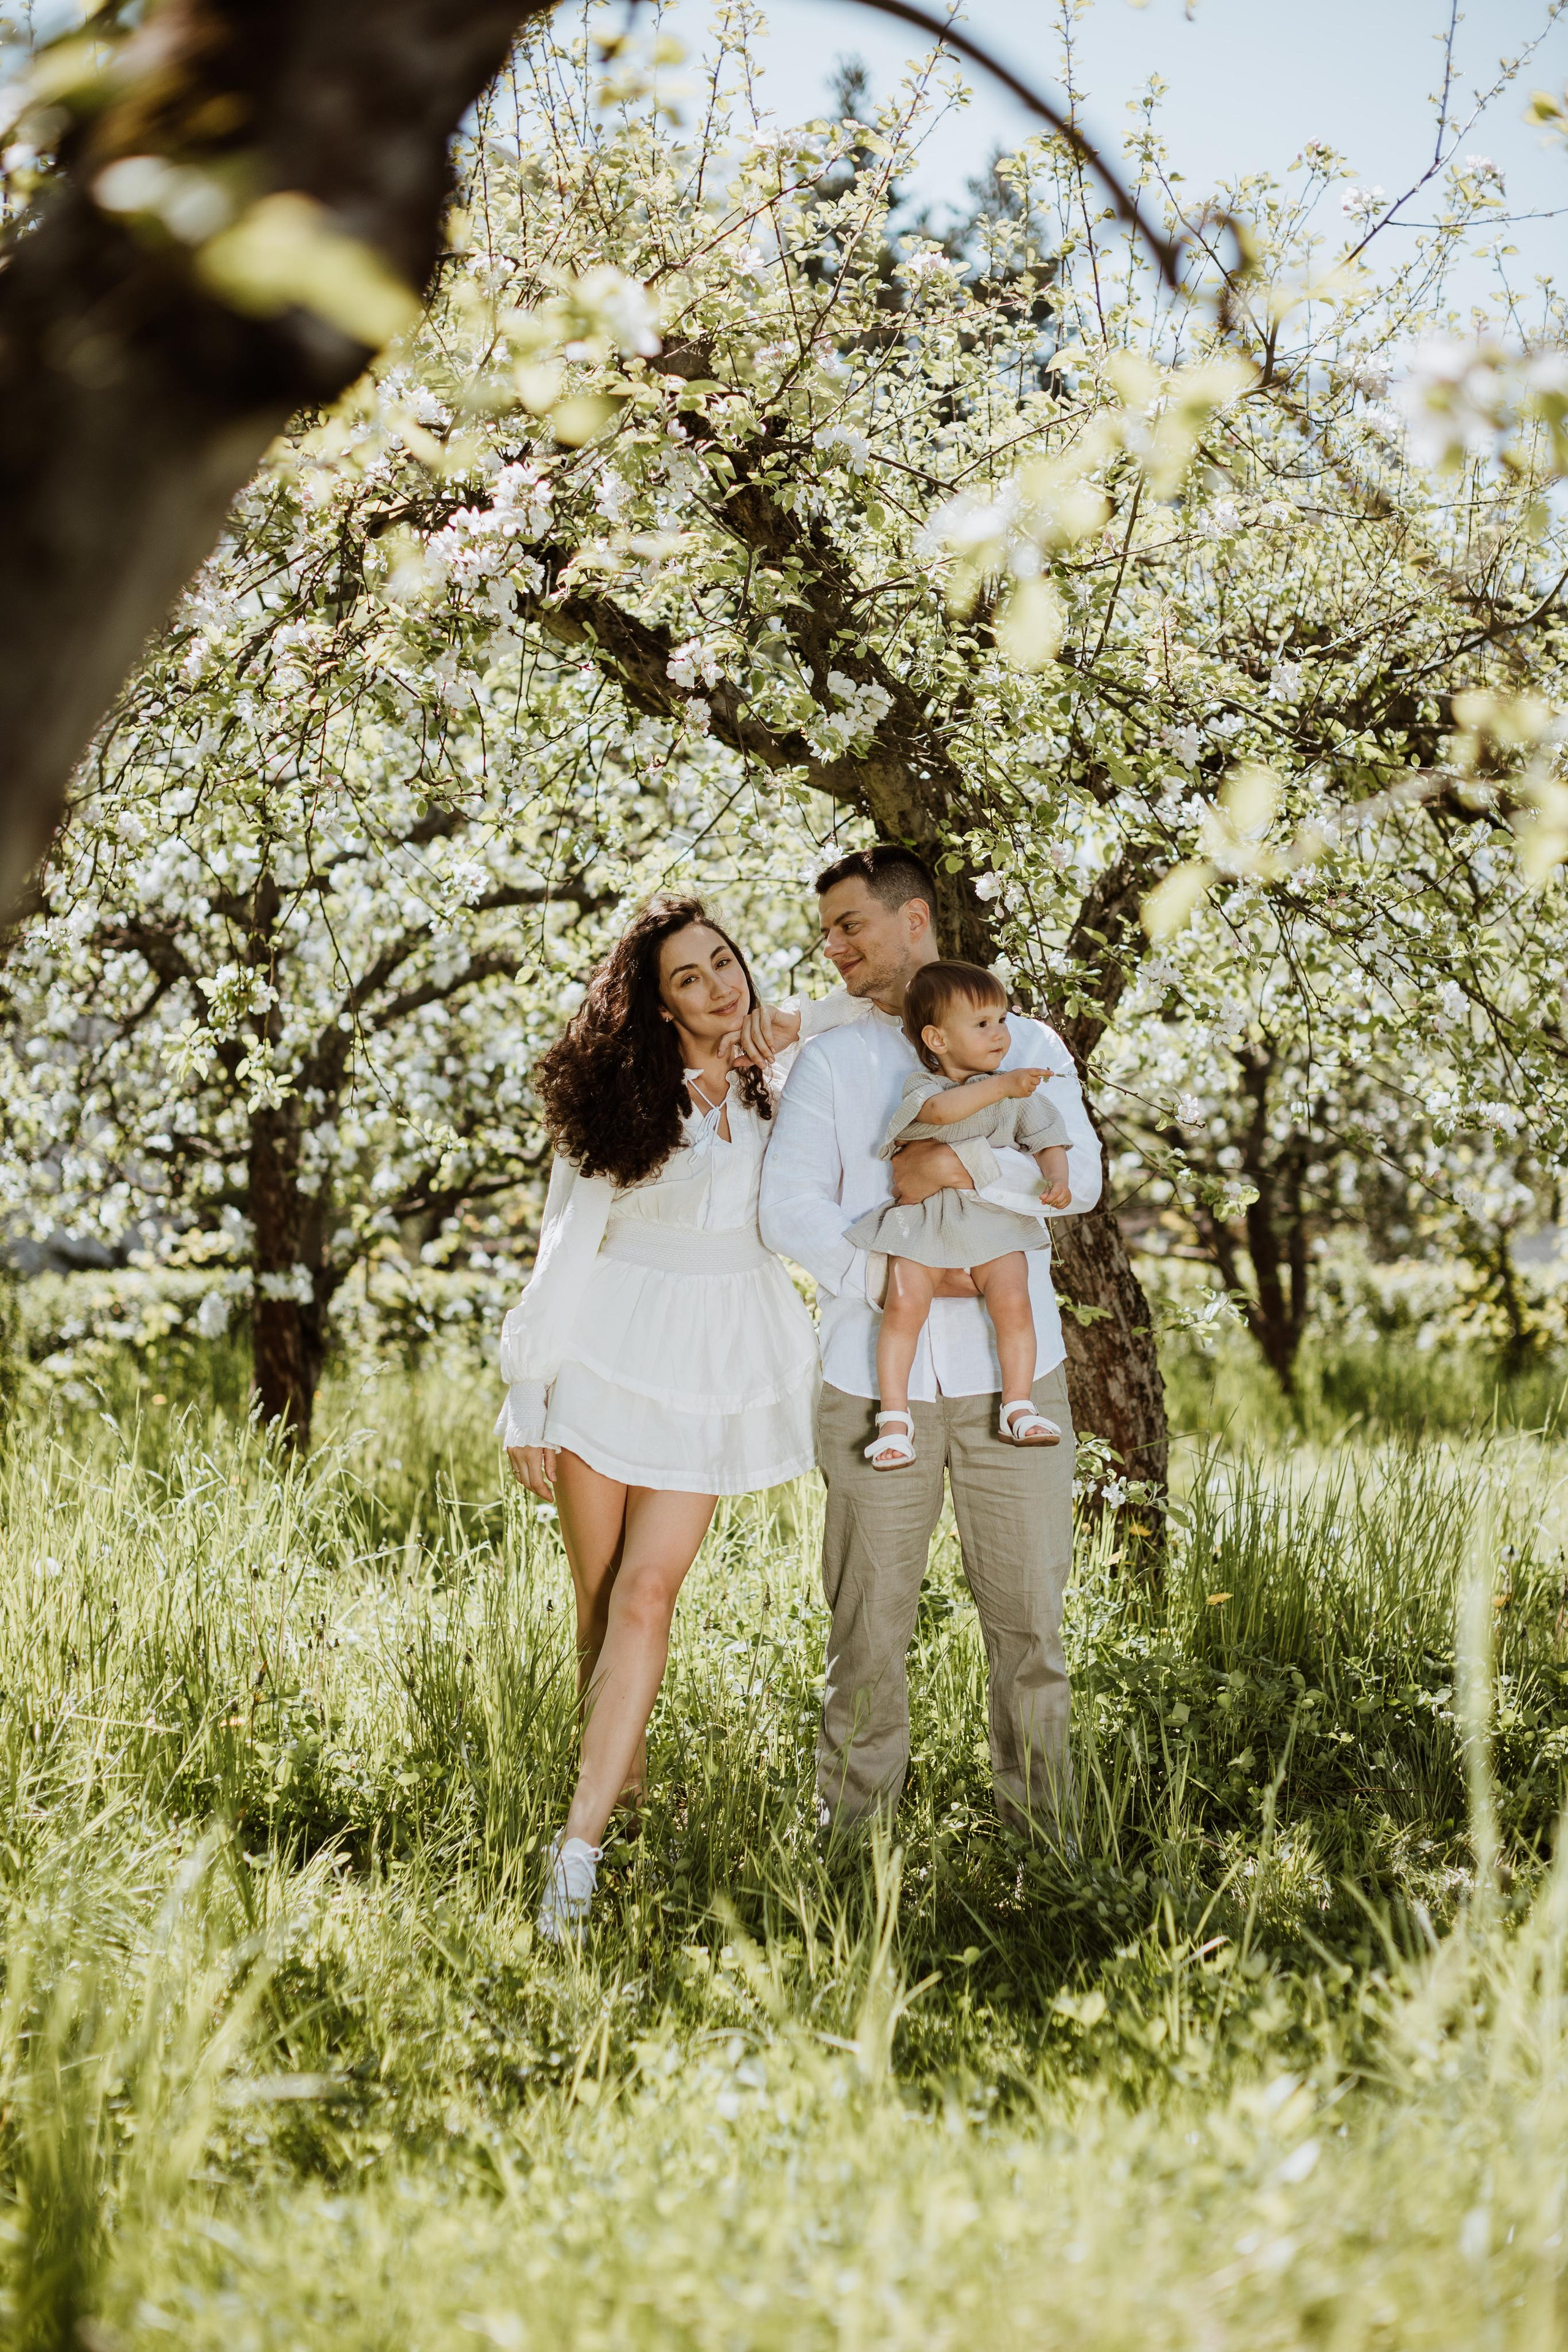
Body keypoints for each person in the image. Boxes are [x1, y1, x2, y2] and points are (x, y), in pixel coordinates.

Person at [496, 895, 865, 1940]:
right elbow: (566, 1243)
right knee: (599, 1602)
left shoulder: (783, 1081)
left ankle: (575, 1854)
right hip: (605, 1348)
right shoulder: (621, 1099)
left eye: (724, 962)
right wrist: (528, 1390)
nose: (717, 986)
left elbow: (879, 1009)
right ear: (658, 1007)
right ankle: (622, 1803)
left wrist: (787, 1022)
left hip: (715, 1357)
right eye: (688, 979)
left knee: (647, 1595)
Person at [756, 846, 1101, 1845]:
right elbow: (788, 1208)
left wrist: (959, 1168)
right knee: (866, 1632)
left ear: (913, 921)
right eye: (826, 932)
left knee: (1031, 1629)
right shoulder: (831, 1061)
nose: (833, 949)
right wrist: (893, 1277)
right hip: (874, 1382)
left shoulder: (1028, 1041)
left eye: (850, 926)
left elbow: (1077, 1182)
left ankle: (1047, 1855)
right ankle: (851, 1847)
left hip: (1013, 1380)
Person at [843, 959, 1072, 1469]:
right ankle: (894, 1420)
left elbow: (1049, 1140)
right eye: (982, 1023)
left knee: (1015, 1302)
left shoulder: (1016, 1093)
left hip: (993, 1222)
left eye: (1002, 1020)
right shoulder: (925, 1089)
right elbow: (943, 1115)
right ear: (938, 1040)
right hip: (925, 1221)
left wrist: (1057, 1178)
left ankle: (1018, 1406)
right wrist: (1005, 1087)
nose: (999, 1033)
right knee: (904, 1308)